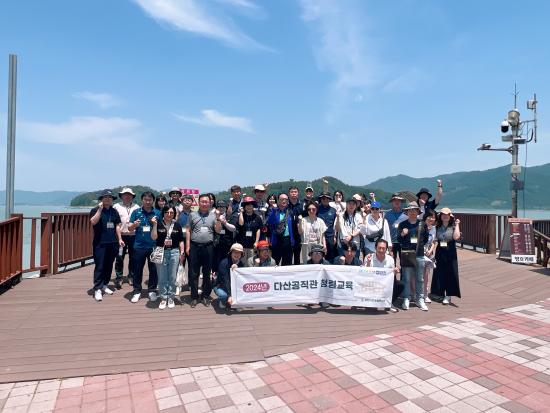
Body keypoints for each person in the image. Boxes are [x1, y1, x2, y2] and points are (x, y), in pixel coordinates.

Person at [186, 194, 222, 308]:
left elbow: (218, 230)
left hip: (208, 247)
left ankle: (206, 296)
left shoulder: (213, 215)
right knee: (193, 273)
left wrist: (218, 218)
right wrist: (187, 246)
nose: (204, 204)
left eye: (206, 202)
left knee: (207, 273)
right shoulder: (192, 215)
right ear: (199, 202)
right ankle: (194, 297)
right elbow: (188, 230)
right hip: (194, 246)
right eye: (202, 201)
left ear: (210, 203)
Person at [89, 190, 124, 301]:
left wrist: (120, 239)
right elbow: (93, 222)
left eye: (110, 197)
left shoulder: (114, 211)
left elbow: (117, 226)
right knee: (100, 265)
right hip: (100, 243)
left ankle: (105, 285)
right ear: (101, 199)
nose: (108, 199)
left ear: (112, 199)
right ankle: (97, 288)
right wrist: (100, 209)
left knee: (109, 265)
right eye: (105, 197)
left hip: (112, 242)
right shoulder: (95, 210)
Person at [128, 191, 160, 303]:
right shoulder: (136, 212)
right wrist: (134, 225)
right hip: (139, 246)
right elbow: (129, 228)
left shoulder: (157, 213)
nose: (147, 202)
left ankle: (152, 290)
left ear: (153, 201)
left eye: (150, 200)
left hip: (154, 246)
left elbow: (162, 228)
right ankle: (137, 291)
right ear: (142, 200)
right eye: (145, 199)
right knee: (137, 269)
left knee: (154, 270)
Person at [151, 206, 185, 310]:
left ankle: (171, 297)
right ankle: (163, 297)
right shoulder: (158, 223)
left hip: (174, 252)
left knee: (172, 276)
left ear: (174, 214)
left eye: (171, 212)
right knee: (162, 276)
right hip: (161, 251)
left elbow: (181, 240)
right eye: (167, 212)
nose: (169, 214)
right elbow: (154, 237)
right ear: (163, 213)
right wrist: (154, 225)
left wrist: (182, 252)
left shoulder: (177, 225)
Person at [397, 201, 428, 311]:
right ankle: (407, 298)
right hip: (407, 254)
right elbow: (399, 240)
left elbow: (426, 239)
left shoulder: (423, 224)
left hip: (419, 254)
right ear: (407, 212)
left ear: (418, 211)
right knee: (406, 278)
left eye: (414, 210)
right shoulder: (402, 224)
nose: (412, 212)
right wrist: (402, 234)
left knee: (420, 278)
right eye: (410, 210)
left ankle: (420, 299)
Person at [430, 207, 461, 305]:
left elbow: (456, 237)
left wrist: (457, 224)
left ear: (450, 216)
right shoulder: (437, 226)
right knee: (439, 272)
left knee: (450, 272)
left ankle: (448, 295)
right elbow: (434, 239)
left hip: (450, 251)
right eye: (443, 215)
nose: (445, 216)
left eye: (447, 215)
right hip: (440, 251)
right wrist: (431, 251)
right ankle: (439, 293)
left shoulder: (453, 226)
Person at [364, 239, 403, 313]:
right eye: (379, 248)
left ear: (386, 249)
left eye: (383, 248)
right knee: (371, 309)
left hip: (385, 284)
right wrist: (368, 263)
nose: (381, 250)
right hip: (372, 284)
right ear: (375, 248)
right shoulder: (368, 257)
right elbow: (365, 275)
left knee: (400, 285)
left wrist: (395, 272)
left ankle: (388, 303)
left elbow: (391, 276)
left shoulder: (390, 259)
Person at [113, 187, 139, 289]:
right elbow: (114, 221)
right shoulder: (116, 206)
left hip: (134, 236)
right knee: (119, 257)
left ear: (132, 196)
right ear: (121, 196)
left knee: (133, 257)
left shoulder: (136, 207)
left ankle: (131, 276)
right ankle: (119, 277)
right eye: (125, 194)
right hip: (121, 236)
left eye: (129, 195)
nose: (127, 196)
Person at [266, 193, 295, 266]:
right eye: (282, 199)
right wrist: (274, 210)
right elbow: (270, 223)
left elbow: (293, 227)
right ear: (278, 201)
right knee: (274, 263)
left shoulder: (290, 212)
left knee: (287, 264)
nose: (284, 201)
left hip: (288, 240)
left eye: (286, 199)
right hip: (276, 239)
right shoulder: (273, 211)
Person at [214, 243, 244, 310]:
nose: (237, 254)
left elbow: (243, 279)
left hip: (235, 287)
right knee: (223, 295)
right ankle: (223, 301)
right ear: (231, 252)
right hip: (221, 286)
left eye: (239, 253)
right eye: (235, 252)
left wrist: (238, 268)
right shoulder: (223, 263)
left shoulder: (241, 263)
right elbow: (225, 280)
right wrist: (230, 295)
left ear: (241, 254)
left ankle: (236, 302)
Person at [175, 194, 193, 295]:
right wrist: (177, 214)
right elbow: (174, 223)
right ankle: (178, 284)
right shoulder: (178, 213)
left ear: (192, 202)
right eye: (185, 200)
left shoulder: (195, 214)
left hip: (191, 242)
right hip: (179, 241)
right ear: (182, 202)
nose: (187, 201)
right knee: (180, 263)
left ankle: (191, 284)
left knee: (192, 265)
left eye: (189, 200)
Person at [213, 200, 237, 273]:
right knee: (216, 262)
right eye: (219, 207)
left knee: (227, 262)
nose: (221, 208)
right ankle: (216, 276)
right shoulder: (213, 216)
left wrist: (225, 223)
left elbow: (234, 228)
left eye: (223, 207)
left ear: (226, 208)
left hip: (228, 244)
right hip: (216, 244)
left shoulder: (230, 216)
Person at [237, 196, 262, 264]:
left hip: (252, 245)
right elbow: (241, 224)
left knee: (252, 263)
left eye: (251, 205)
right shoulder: (241, 216)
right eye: (247, 205)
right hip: (242, 245)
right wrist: (241, 213)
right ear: (244, 207)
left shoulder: (257, 217)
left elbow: (258, 230)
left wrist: (256, 242)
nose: (249, 207)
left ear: (253, 206)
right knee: (243, 263)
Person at [385, 193, 408, 262]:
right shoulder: (387, 214)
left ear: (401, 202)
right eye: (395, 200)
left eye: (399, 200)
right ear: (392, 202)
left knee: (404, 262)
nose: (397, 202)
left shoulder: (406, 213)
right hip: (391, 242)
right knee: (391, 262)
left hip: (403, 241)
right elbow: (385, 229)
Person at [421, 210, 438, 303]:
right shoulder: (420, 226)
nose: (431, 219)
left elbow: (434, 241)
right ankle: (416, 293)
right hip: (420, 253)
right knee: (417, 274)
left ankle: (425, 294)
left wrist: (431, 250)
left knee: (426, 275)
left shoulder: (434, 229)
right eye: (429, 216)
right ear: (425, 217)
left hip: (429, 255)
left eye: (433, 217)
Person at [317, 192, 338, 262]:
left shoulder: (333, 210)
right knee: (318, 254)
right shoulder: (316, 209)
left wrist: (335, 236)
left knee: (331, 255)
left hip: (330, 236)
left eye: (327, 198)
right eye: (323, 198)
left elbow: (335, 225)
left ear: (329, 199)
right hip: (319, 236)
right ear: (320, 199)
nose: (325, 200)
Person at [288, 186, 303, 264]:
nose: (294, 193)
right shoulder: (286, 205)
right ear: (289, 194)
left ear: (298, 193)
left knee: (297, 257)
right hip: (288, 234)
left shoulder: (302, 205)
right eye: (292, 192)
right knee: (288, 256)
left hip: (298, 234)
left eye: (295, 192)